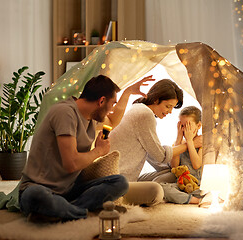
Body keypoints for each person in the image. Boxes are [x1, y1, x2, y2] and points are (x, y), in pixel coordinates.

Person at [19, 75, 152, 222]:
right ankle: (79, 212)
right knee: (37, 196)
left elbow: (113, 120)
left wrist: (127, 92)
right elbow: (71, 164)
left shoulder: (90, 118)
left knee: (120, 183)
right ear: (101, 101)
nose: (112, 109)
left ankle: (63, 211)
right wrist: (98, 151)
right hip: (38, 188)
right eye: (112, 104)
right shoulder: (65, 112)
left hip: (69, 190)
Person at [109, 79, 202, 206]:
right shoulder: (144, 115)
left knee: (169, 172)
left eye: (172, 108)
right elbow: (161, 156)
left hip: (121, 178)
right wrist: (189, 144)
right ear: (156, 100)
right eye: (168, 106)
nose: (170, 112)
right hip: (117, 181)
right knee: (156, 190)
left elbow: (156, 157)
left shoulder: (138, 109)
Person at [161, 106, 203, 205]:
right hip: (181, 184)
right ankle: (190, 199)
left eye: (188, 125)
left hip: (196, 186)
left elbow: (196, 165)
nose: (185, 129)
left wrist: (190, 141)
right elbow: (174, 166)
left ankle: (193, 199)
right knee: (161, 187)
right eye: (182, 125)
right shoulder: (180, 144)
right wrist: (179, 139)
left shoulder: (201, 143)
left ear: (198, 125)